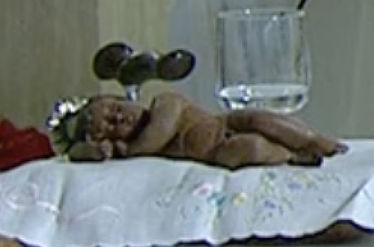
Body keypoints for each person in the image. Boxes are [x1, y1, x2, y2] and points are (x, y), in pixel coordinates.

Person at [52, 93, 347, 168]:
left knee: (263, 121)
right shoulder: (129, 146)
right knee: (249, 148)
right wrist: (93, 148)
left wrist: (130, 150)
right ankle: (290, 157)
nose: (120, 120)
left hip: (224, 123)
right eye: (112, 128)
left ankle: (314, 141)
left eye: (116, 110)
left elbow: (161, 131)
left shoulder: (163, 104)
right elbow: (74, 156)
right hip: (216, 152)